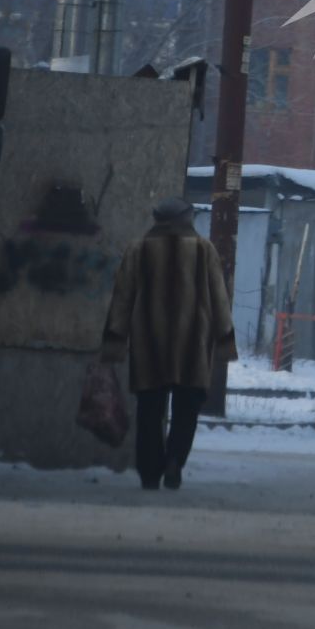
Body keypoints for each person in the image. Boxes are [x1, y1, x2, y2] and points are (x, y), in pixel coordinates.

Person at [101, 198, 237, 490]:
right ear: (187, 218)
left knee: (150, 410)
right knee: (187, 410)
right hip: (192, 346)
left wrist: (115, 339)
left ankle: (150, 472)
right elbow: (219, 299)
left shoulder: (140, 250)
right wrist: (225, 339)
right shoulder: (203, 250)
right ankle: (175, 460)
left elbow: (122, 299)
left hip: (150, 344)